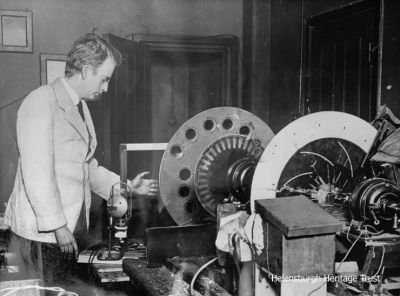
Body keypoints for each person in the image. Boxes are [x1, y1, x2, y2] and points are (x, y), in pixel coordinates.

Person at [4, 33, 159, 288]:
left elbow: (86, 167)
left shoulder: (81, 107)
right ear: (87, 71)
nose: (106, 87)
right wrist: (58, 226)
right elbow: (37, 172)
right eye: (104, 78)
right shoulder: (41, 101)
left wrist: (128, 186)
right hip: (42, 236)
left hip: (65, 231)